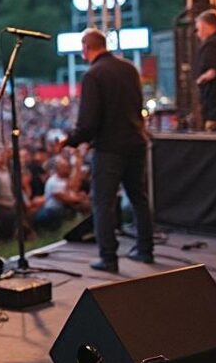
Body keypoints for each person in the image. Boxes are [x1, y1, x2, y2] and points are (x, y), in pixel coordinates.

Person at [63, 29, 154, 272]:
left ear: (86, 47)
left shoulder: (93, 74)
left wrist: (71, 140)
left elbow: (88, 122)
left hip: (110, 148)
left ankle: (108, 257)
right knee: (139, 197)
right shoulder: (129, 68)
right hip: (135, 141)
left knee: (103, 201)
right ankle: (145, 249)